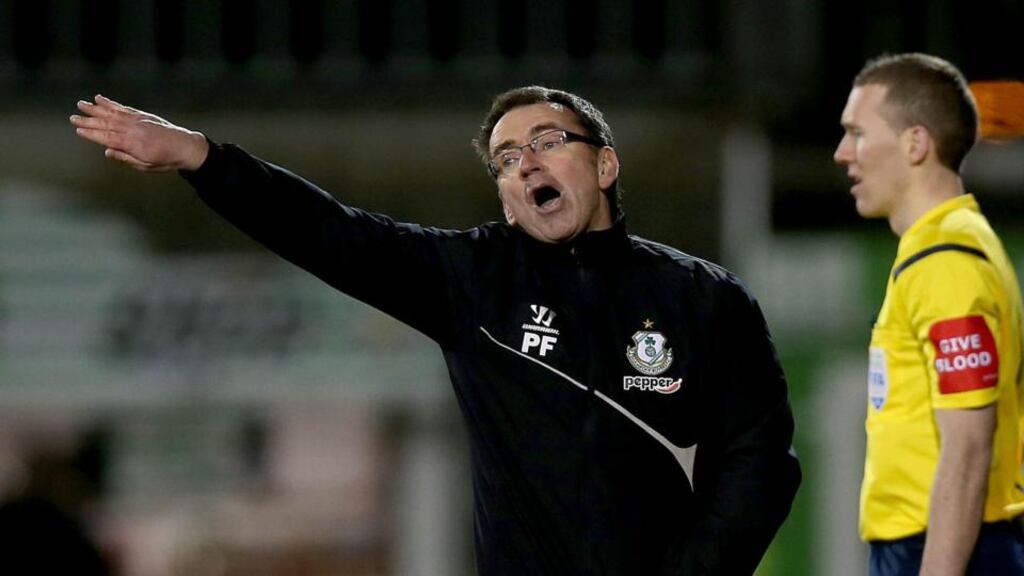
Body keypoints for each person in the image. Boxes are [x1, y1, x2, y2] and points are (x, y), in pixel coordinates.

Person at [71, 86, 801, 574]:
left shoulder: (705, 297)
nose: (526, 165)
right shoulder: (471, 280)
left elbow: (762, 463)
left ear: (605, 164)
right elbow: (329, 232)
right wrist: (203, 158)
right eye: (507, 160)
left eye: (546, 142)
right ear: (508, 199)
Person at [834, 53, 1024, 575]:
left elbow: (967, 448)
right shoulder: (945, 248)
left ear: (916, 143)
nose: (842, 153)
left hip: (943, 549)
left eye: (857, 133)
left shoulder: (947, 262)